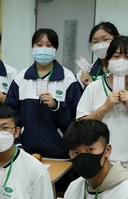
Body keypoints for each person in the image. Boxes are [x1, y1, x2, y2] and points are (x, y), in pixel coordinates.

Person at [76, 36, 128, 171]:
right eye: (116, 56)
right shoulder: (93, 87)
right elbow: (80, 126)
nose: (121, 61)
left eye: (127, 57)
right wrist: (105, 108)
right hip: (97, 160)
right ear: (108, 59)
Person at [6, 28, 81, 159]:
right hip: (25, 153)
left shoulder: (68, 78)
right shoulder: (21, 78)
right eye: (39, 45)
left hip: (60, 153)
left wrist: (57, 106)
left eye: (49, 45)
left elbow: (76, 120)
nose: (43, 49)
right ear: (32, 47)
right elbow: (10, 114)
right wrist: (17, 143)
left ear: (55, 49)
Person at [77, 22, 128, 88]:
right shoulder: (86, 72)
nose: (100, 45)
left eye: (105, 39)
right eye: (95, 42)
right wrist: (88, 87)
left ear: (117, 38)